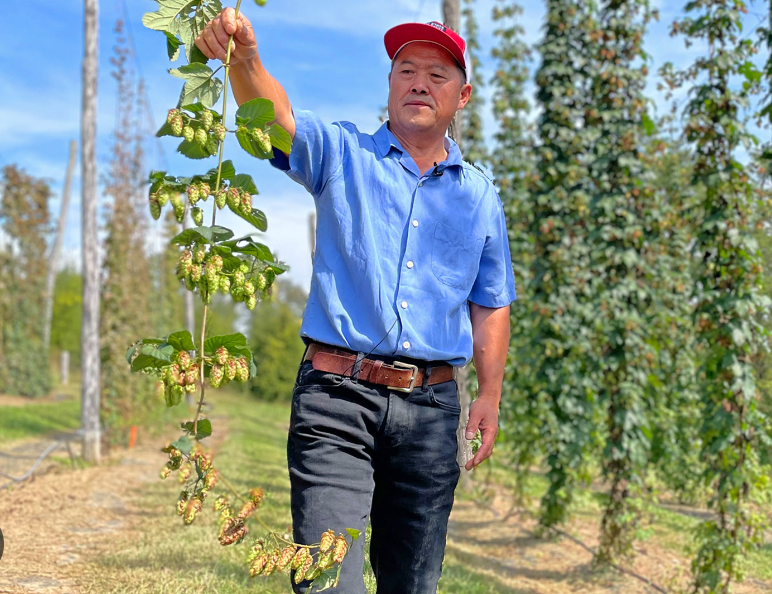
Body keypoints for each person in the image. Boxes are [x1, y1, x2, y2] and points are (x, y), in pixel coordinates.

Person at [196, 10, 516, 594]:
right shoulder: (343, 155)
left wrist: (489, 394)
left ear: (462, 95)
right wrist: (244, 60)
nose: (419, 82)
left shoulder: (480, 196)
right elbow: (278, 122)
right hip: (337, 401)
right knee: (326, 584)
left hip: (432, 410)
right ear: (390, 84)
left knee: (412, 583)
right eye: (406, 69)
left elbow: (490, 303)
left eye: (437, 74)